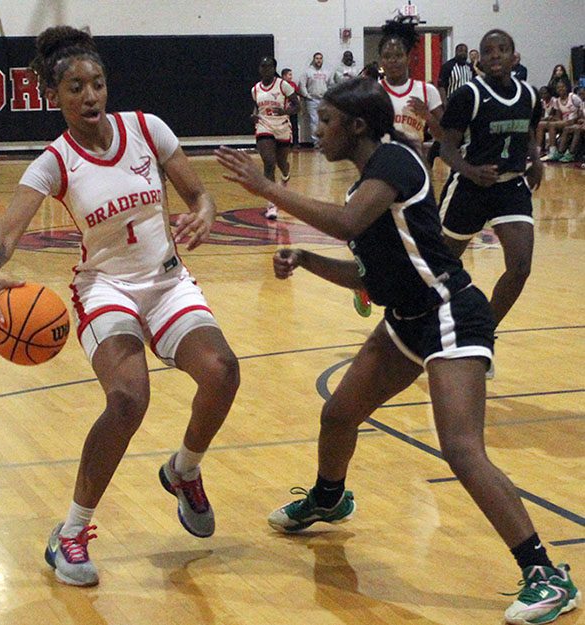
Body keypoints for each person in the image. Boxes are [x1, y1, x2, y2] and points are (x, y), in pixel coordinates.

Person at [216, 77, 580, 625]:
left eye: (327, 121)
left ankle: (546, 574)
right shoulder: (365, 186)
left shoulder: (396, 162)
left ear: (358, 125)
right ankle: (329, 497)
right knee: (338, 415)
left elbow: (346, 224)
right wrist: (309, 262)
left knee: (461, 449)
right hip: (406, 321)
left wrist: (266, 188)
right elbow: (371, 277)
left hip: (450, 313)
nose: (318, 130)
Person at [0, 25, 240, 587]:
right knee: (127, 399)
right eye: (75, 87)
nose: (90, 95)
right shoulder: (53, 162)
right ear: (53, 96)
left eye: (97, 83)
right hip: (105, 289)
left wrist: (206, 212)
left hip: (167, 281)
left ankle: (184, 470)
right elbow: (5, 235)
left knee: (223, 372)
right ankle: (69, 532)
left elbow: (200, 194)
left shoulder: (148, 129)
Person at [439, 30, 543, 338]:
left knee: (520, 267)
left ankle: (481, 332)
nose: (495, 55)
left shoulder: (530, 95)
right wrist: (471, 171)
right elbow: (446, 149)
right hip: (469, 187)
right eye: (488, 51)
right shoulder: (468, 96)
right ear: (480, 60)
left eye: (502, 49)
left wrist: (536, 160)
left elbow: (527, 132)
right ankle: (412, 322)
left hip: (510, 186)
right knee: (438, 269)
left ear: (514, 56)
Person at [378, 15, 444, 158]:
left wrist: (427, 116)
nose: (393, 60)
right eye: (387, 56)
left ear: (408, 58)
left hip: (414, 163)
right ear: (381, 61)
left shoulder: (427, 91)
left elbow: (445, 136)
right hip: (381, 164)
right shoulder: (373, 91)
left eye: (398, 55)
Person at [252, 57, 299, 220]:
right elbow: (256, 107)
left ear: (274, 69)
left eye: (269, 66)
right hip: (264, 125)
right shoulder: (255, 89)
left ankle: (285, 175)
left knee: (281, 163)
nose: (266, 69)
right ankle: (272, 204)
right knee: (269, 162)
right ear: (260, 69)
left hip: (282, 126)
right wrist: (254, 115)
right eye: (263, 66)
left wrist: (285, 112)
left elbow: (297, 106)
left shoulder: (283, 85)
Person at [431, 43, 473, 166]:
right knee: (448, 132)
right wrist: (445, 103)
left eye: (465, 51)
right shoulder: (448, 66)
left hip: (467, 106)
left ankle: (462, 157)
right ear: (456, 51)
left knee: (465, 133)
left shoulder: (469, 67)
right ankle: (434, 155)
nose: (463, 53)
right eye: (460, 50)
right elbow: (441, 86)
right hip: (452, 105)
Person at [538, 80, 583, 161]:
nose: (560, 89)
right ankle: (538, 150)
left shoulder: (573, 97)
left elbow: (581, 108)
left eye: (562, 87)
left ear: (566, 88)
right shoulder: (557, 101)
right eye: (558, 88)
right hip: (564, 122)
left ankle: (553, 151)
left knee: (552, 125)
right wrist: (553, 119)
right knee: (541, 124)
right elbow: (559, 117)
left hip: (573, 120)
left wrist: (577, 119)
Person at [298, 52, 329, 146]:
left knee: (324, 120)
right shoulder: (308, 72)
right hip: (312, 100)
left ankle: (324, 140)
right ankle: (316, 142)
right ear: (313, 59)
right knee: (314, 121)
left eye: (320, 58)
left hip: (323, 100)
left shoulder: (326, 72)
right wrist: (307, 95)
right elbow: (302, 85)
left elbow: (330, 84)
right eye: (317, 58)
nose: (319, 60)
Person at [556, 86, 585, 162]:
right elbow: (580, 116)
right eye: (579, 94)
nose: (581, 96)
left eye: (583, 94)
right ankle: (560, 152)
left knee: (577, 129)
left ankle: (571, 153)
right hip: (582, 123)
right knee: (567, 129)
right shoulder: (581, 105)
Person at [281, 67, 301, 148]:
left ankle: (296, 142)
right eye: (289, 75)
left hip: (292, 108)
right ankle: (285, 142)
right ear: (284, 76)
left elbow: (297, 94)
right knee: (284, 126)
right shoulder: (280, 85)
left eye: (291, 75)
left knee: (294, 126)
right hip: (284, 109)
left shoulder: (293, 84)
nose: (291, 77)